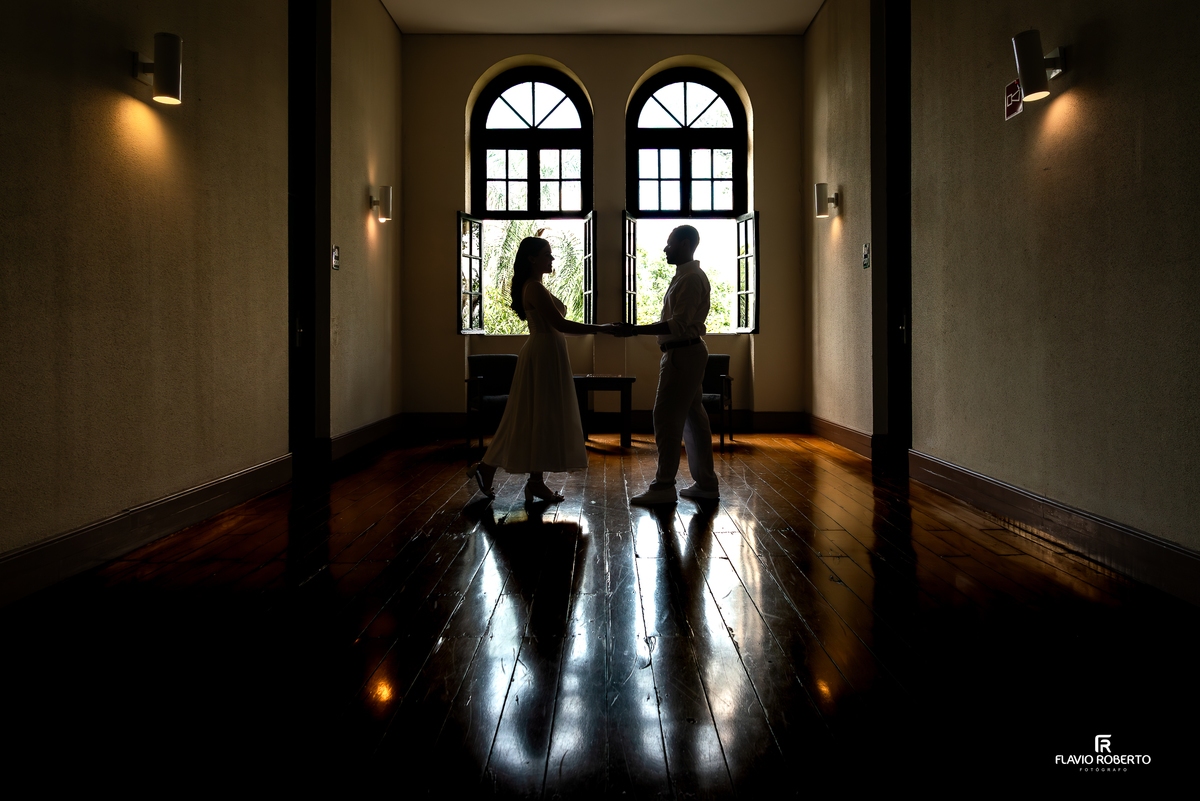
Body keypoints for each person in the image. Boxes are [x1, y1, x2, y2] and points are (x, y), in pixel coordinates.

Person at [467, 237, 622, 503]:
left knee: (539, 414)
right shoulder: (535, 288)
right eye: (547, 254)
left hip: (548, 352)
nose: (552, 259)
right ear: (532, 258)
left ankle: (526, 479)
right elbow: (560, 324)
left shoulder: (536, 286)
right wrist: (602, 328)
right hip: (543, 354)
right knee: (536, 414)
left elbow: (558, 327)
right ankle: (501, 472)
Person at [615, 225, 719, 505]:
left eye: (670, 243)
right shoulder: (685, 276)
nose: (665, 249)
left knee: (665, 419)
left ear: (685, 244)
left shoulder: (690, 279)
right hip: (684, 353)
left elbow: (678, 324)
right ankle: (706, 483)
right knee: (694, 420)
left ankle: (663, 485)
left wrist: (634, 330)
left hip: (683, 355)